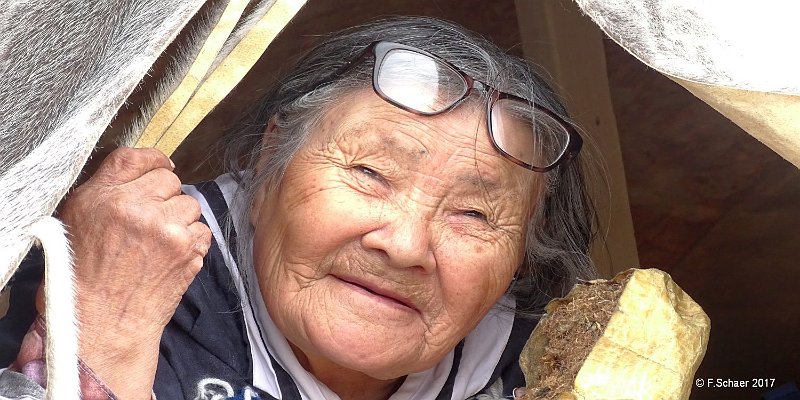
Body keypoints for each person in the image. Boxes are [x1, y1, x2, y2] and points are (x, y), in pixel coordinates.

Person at [0, 16, 596, 400]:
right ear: (266, 166)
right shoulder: (123, 270)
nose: (406, 245)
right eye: (370, 173)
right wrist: (102, 340)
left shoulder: (550, 370)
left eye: (473, 215)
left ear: (520, 259)